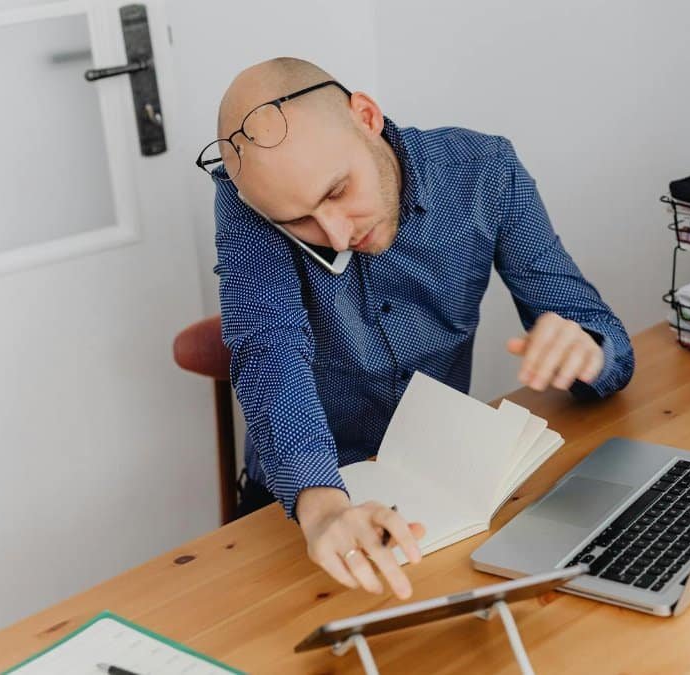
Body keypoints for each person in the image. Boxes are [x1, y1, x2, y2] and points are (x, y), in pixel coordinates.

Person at [202, 57, 634, 600]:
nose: (334, 235)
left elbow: (598, 333)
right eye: (300, 222)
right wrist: (322, 507)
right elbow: (269, 352)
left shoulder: (484, 171)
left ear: (366, 116)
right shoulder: (251, 207)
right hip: (307, 508)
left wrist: (588, 351)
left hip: (447, 488)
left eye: (337, 192)